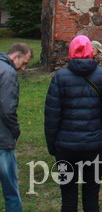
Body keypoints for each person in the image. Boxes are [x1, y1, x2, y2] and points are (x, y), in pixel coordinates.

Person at [44, 35, 102, 212]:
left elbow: (52, 116)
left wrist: (52, 145)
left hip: (66, 147)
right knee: (91, 194)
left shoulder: (60, 77)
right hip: (94, 145)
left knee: (68, 195)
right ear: (91, 52)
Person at [0, 43, 33, 212]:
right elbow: (7, 109)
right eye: (24, 63)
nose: (24, 68)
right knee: (11, 189)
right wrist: (15, 130)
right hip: (2, 138)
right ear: (15, 57)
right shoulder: (9, 72)